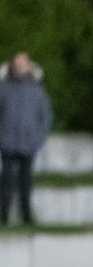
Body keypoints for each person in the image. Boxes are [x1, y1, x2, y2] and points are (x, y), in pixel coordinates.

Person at [0, 52, 52, 227]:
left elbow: (45, 116)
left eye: (23, 64)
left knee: (26, 182)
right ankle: (3, 215)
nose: (20, 67)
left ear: (29, 66)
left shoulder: (37, 89)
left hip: (29, 143)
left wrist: (38, 137)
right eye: (17, 64)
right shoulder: (4, 87)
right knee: (7, 181)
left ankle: (26, 215)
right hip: (7, 142)